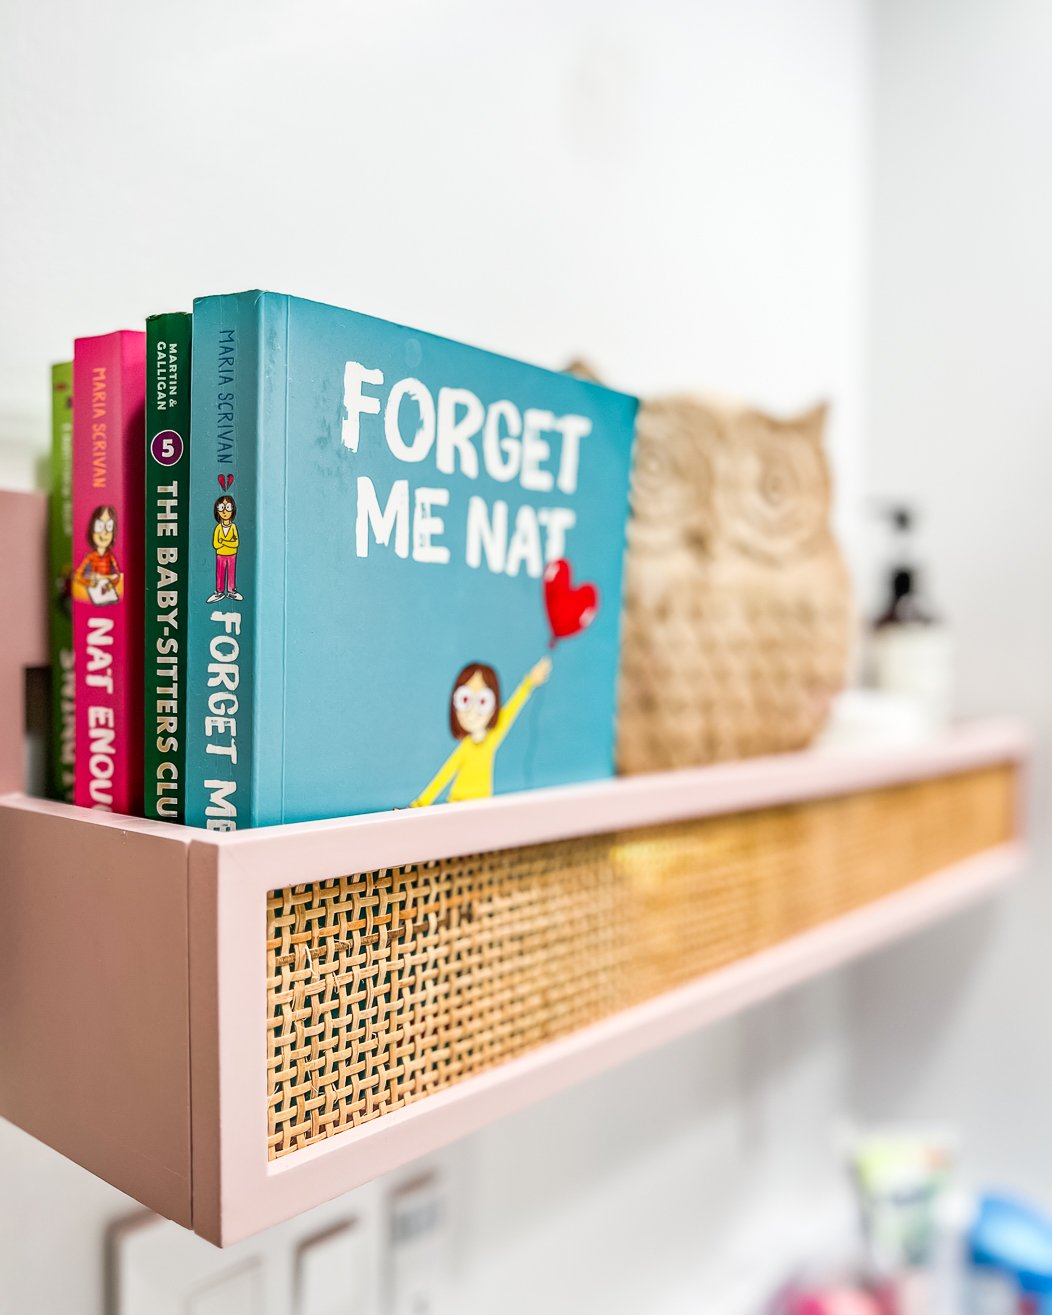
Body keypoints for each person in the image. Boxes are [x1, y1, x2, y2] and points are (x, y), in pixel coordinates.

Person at [412, 656, 552, 805]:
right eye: (465, 699)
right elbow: (444, 775)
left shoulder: (491, 738)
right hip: (458, 802)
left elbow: (511, 710)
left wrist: (529, 683)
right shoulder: (466, 747)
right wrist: (419, 804)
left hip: (482, 802)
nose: (472, 711)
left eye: (482, 701)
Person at [72, 504, 122, 602]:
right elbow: (78, 575)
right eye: (99, 526)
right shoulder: (90, 557)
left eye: (109, 527)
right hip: (94, 591)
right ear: (92, 529)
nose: (104, 533)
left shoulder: (110, 557)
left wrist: (110, 583)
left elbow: (117, 575)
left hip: (108, 591)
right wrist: (89, 582)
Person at [208, 494, 242, 602]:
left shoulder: (233, 527)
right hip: (220, 554)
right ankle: (219, 592)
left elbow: (235, 543)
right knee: (220, 572)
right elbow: (216, 544)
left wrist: (224, 541)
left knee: (231, 572)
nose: (224, 512)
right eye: (221, 508)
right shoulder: (218, 528)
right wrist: (228, 542)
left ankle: (231, 591)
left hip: (232, 554)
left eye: (228, 508)